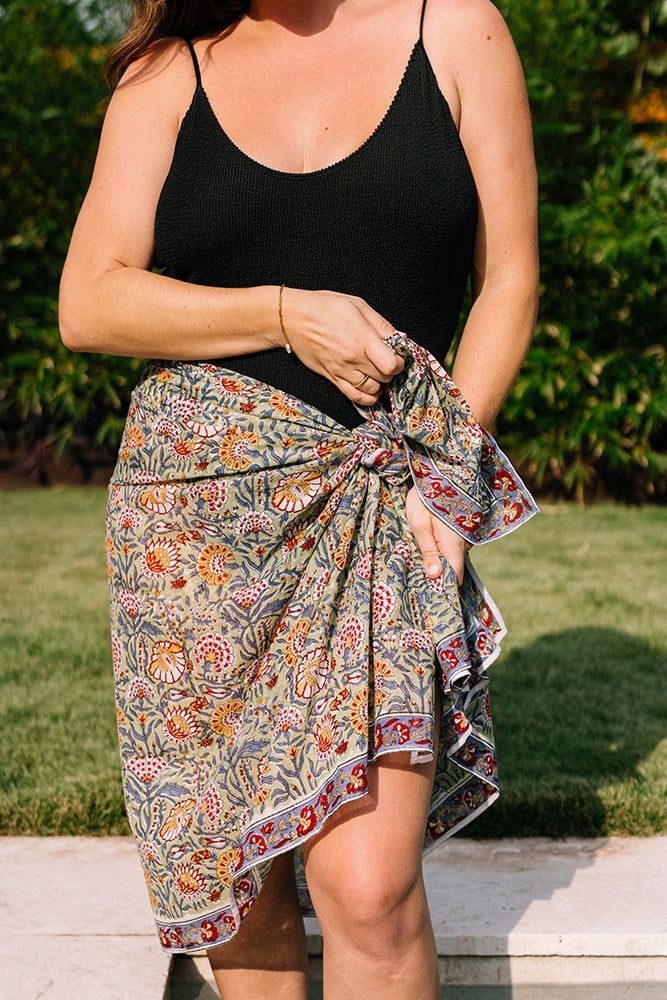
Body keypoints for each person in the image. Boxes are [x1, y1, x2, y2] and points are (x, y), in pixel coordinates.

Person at [58, 1, 539, 998]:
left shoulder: (451, 30)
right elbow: (89, 300)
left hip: (378, 501)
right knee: (246, 898)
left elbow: (508, 280)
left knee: (368, 888)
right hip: (189, 527)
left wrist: (447, 484)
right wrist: (281, 311)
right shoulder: (167, 75)